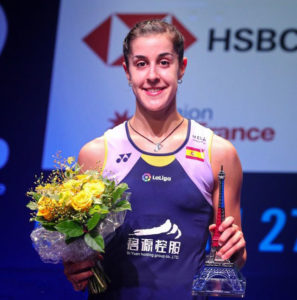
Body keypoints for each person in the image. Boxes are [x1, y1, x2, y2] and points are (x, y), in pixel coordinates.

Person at [63, 19, 246, 299]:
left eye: (163, 62)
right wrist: (75, 263)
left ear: (181, 67)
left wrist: (234, 252)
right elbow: (82, 248)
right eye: (140, 63)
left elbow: (233, 256)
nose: (152, 75)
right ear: (126, 71)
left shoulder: (218, 153)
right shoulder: (96, 153)